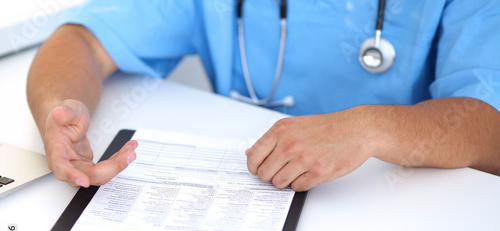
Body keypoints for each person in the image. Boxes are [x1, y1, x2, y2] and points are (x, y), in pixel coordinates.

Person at [27, 0, 500, 192]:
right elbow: (84, 40)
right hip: (244, 192)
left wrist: (370, 127)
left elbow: (487, 123)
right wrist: (60, 111)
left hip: (387, 201)